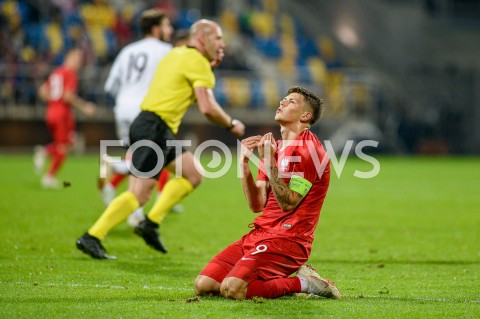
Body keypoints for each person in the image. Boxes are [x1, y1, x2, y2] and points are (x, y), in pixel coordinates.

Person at [76, 19, 245, 259]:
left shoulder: (177, 54)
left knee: (193, 174)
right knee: (139, 195)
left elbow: (186, 94)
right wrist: (231, 124)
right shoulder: (197, 62)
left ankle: (151, 223)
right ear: (201, 38)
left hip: (152, 126)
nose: (221, 43)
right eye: (217, 38)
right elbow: (207, 107)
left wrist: (209, 68)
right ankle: (92, 236)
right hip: (154, 128)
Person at [194, 86, 341, 300]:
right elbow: (257, 204)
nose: (282, 102)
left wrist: (270, 160)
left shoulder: (309, 150)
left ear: (305, 115)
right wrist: (244, 164)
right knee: (204, 285)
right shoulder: (274, 147)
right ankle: (271, 282)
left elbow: (289, 203)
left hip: (289, 241)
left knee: (233, 289)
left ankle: (306, 282)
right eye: (283, 99)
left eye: (291, 102)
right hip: (261, 235)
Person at [99, 8, 179, 226]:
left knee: (142, 161)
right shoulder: (165, 50)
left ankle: (134, 213)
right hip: (146, 112)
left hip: (122, 110)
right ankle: (116, 167)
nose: (170, 30)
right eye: (166, 26)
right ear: (156, 29)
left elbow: (110, 86)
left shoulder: (127, 51)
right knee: (153, 162)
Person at [34, 48, 96, 189]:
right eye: (77, 60)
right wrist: (85, 107)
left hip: (51, 111)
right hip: (62, 114)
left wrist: (52, 101)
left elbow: (43, 91)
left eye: (80, 61)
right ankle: (49, 175)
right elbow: (68, 96)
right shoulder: (70, 73)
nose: (79, 63)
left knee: (69, 142)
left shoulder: (57, 72)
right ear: (69, 58)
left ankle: (46, 153)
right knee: (63, 147)